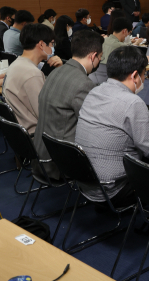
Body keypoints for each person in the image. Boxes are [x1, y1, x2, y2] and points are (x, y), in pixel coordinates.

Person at [75, 46, 149, 204]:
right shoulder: (133, 102)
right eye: (144, 74)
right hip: (113, 189)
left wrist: (147, 120)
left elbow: (113, 121)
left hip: (86, 181)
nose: (144, 78)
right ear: (135, 75)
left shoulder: (95, 92)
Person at [32, 31, 104, 179]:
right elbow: (95, 125)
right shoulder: (83, 83)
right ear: (93, 56)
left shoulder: (56, 72)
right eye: (100, 58)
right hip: (58, 164)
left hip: (39, 155)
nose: (99, 63)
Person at [2, 24, 55, 134]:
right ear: (41, 44)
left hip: (22, 132)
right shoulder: (32, 74)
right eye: (52, 44)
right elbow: (45, 115)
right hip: (37, 136)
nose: (53, 48)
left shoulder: (17, 64)